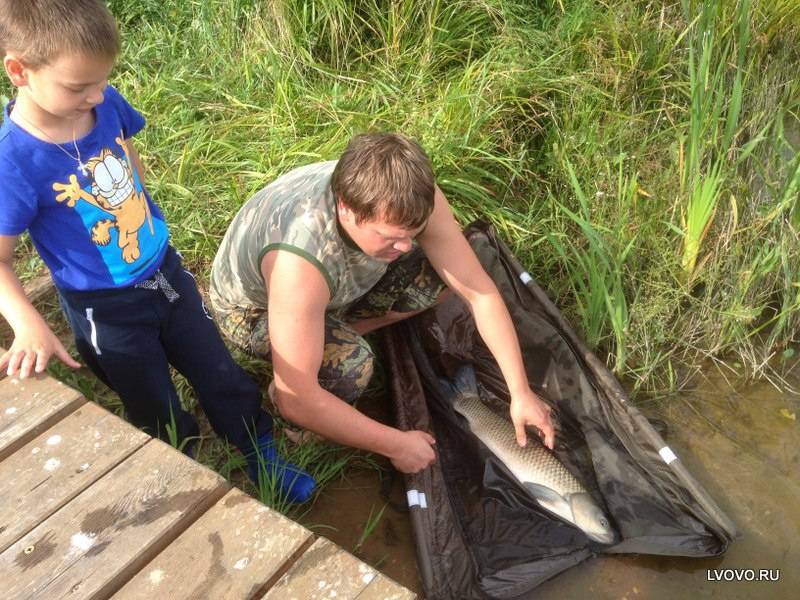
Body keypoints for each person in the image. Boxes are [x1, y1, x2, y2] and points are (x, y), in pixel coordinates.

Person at [0, 0, 315, 502]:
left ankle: (257, 450)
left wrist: (142, 207)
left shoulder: (101, 102)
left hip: (165, 272)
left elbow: (125, 147)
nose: (97, 96)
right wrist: (27, 322)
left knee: (218, 369)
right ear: (18, 70)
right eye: (79, 87)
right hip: (107, 308)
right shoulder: (13, 161)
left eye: (103, 81)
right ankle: (184, 471)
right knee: (153, 401)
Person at [210, 132, 556, 474]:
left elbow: (479, 292)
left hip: (328, 289)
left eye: (413, 232)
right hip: (253, 310)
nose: (406, 247)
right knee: (350, 365)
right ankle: (300, 416)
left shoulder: (411, 196)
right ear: (346, 208)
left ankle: (340, 328)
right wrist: (396, 444)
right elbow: (295, 399)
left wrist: (520, 391)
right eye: (392, 238)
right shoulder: (299, 263)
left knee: (440, 278)